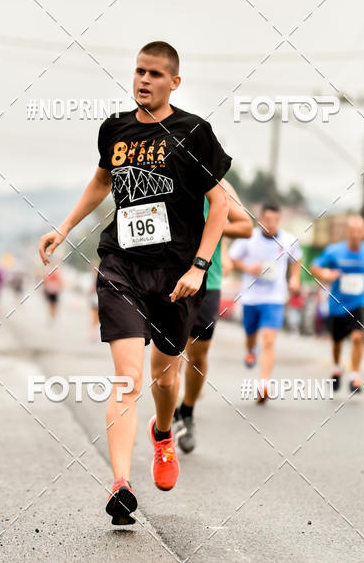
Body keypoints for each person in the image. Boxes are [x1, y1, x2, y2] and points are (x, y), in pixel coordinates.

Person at [38, 41, 231, 525]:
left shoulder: (194, 132)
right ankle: (121, 484)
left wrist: (199, 267)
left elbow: (222, 206)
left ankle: (162, 433)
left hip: (177, 276)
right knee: (127, 379)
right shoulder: (115, 129)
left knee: (165, 375)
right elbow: (102, 182)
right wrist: (64, 228)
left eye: (155, 74)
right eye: (139, 72)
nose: (144, 80)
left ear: (174, 82)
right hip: (121, 265)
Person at [172, 178, 252, 452]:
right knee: (171, 351)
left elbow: (246, 226)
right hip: (168, 277)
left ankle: (187, 411)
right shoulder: (168, 172)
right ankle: (167, 413)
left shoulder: (219, 183)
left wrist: (213, 228)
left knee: (198, 354)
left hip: (209, 281)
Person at [229, 203, 302, 403]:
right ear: (260, 220)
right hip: (251, 297)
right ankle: (251, 350)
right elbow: (232, 258)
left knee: (269, 339)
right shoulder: (248, 238)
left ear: (280, 220)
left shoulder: (288, 240)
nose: (271, 224)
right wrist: (248, 268)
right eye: (267, 220)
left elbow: (297, 260)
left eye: (275, 220)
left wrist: (294, 279)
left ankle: (263, 385)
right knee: (251, 335)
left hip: (274, 298)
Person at [310, 215, 364, 394]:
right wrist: (325, 274)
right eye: (352, 230)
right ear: (347, 232)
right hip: (337, 304)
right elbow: (315, 266)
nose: (355, 234)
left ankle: (354, 375)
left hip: (359, 301)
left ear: (363, 232)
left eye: (359, 231)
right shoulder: (334, 251)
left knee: (357, 337)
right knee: (337, 341)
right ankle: (337, 368)